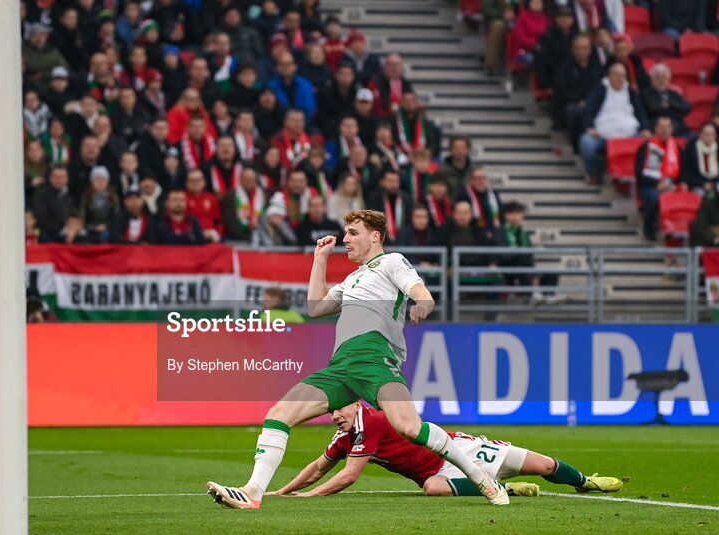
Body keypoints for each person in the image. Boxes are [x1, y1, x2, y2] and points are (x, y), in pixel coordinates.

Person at [206, 209, 510, 509]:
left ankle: (479, 476)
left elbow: (421, 292)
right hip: (341, 366)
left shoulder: (391, 262)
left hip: (375, 359)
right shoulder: (352, 279)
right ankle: (253, 492)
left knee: (409, 428)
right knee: (279, 413)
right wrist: (319, 260)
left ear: (375, 236)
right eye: (346, 232)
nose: (345, 239)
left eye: (353, 233)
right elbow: (316, 309)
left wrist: (422, 306)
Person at [267, 401, 623, 498]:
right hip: (438, 474)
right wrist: (283, 491)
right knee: (433, 487)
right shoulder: (346, 435)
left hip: (458, 450)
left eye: (337, 411)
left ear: (354, 406)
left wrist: (310, 497)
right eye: (330, 412)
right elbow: (317, 468)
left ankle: (585, 482)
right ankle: (501, 488)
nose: (332, 417)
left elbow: (348, 476)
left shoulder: (372, 422)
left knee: (544, 466)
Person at [579, 62, 650, 185]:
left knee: (649, 144)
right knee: (586, 143)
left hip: (629, 133)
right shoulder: (600, 89)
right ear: (609, 76)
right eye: (616, 75)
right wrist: (589, 127)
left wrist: (645, 128)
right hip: (603, 133)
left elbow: (640, 112)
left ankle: (637, 178)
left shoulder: (630, 91)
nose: (619, 78)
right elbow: (588, 111)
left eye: (622, 75)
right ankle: (594, 174)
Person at [635, 116, 683, 241]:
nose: (664, 130)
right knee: (654, 197)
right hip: (650, 185)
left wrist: (679, 183)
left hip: (672, 184)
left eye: (667, 127)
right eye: (661, 126)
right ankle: (649, 229)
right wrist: (656, 183)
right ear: (655, 128)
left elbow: (684, 171)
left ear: (672, 129)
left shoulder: (678, 149)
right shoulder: (645, 148)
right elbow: (639, 174)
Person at [641, 63, 691, 137]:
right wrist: (674, 111)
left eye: (664, 77)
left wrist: (669, 104)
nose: (661, 80)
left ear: (668, 80)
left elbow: (686, 107)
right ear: (651, 79)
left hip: (677, 128)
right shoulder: (646, 94)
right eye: (657, 77)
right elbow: (653, 108)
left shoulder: (674, 94)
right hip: (655, 127)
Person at [683, 123, 719, 194]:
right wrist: (702, 184)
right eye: (706, 134)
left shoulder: (717, 148)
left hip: (716, 183)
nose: (709, 137)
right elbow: (688, 172)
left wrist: (714, 184)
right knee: (700, 194)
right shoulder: (691, 148)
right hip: (698, 184)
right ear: (700, 134)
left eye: (712, 134)